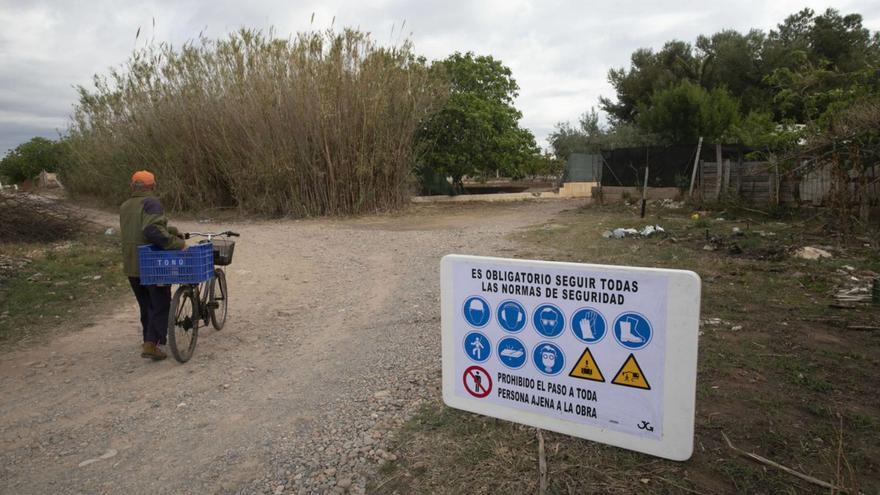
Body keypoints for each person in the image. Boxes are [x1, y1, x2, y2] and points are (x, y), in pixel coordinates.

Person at [120, 171, 185, 360]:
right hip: (151, 263)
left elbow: (140, 228)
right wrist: (178, 243)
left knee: (146, 304)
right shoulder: (151, 203)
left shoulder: (125, 205)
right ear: (152, 186)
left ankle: (148, 340)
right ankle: (151, 344)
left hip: (132, 264)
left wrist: (171, 230)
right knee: (160, 304)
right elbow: (151, 230)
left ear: (132, 186)